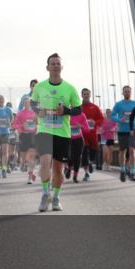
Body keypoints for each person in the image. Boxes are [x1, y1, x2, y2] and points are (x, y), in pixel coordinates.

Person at [31, 53, 82, 212]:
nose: (55, 66)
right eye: (52, 64)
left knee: (58, 170)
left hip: (62, 133)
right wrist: (37, 110)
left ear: (62, 67)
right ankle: (45, 194)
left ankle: (56, 198)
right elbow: (33, 103)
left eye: (58, 64)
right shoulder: (39, 87)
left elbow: (78, 109)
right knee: (45, 162)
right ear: (47, 67)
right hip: (44, 130)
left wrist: (66, 110)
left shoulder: (70, 88)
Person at [110, 85, 135, 182]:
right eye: (125, 91)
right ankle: (122, 170)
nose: (127, 93)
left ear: (131, 92)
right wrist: (119, 120)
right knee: (122, 151)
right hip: (122, 131)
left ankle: (132, 172)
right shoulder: (119, 104)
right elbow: (112, 115)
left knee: (132, 150)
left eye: (129, 91)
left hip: (132, 131)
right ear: (123, 93)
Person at [12, 97, 38, 183]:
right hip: (23, 136)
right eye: (25, 102)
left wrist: (36, 127)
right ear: (23, 104)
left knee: (31, 156)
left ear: (30, 103)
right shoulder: (20, 114)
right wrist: (22, 126)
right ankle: (23, 164)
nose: (27, 103)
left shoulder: (34, 113)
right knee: (24, 157)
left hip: (32, 135)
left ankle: (30, 175)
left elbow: (39, 124)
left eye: (28, 102)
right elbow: (14, 125)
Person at [80, 88, 105, 174]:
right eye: (84, 94)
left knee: (93, 152)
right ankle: (86, 172)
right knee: (84, 152)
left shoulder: (95, 107)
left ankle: (91, 162)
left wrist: (95, 122)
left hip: (93, 134)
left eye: (87, 94)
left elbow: (101, 119)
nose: (86, 96)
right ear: (82, 95)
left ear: (90, 95)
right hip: (82, 134)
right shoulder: (79, 108)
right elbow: (73, 119)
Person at [67, 111, 89, 183]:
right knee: (70, 155)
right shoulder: (67, 113)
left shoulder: (82, 115)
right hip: (69, 139)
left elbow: (87, 128)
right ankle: (69, 168)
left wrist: (80, 126)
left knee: (78, 158)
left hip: (79, 139)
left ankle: (75, 176)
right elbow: (62, 126)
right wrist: (71, 127)